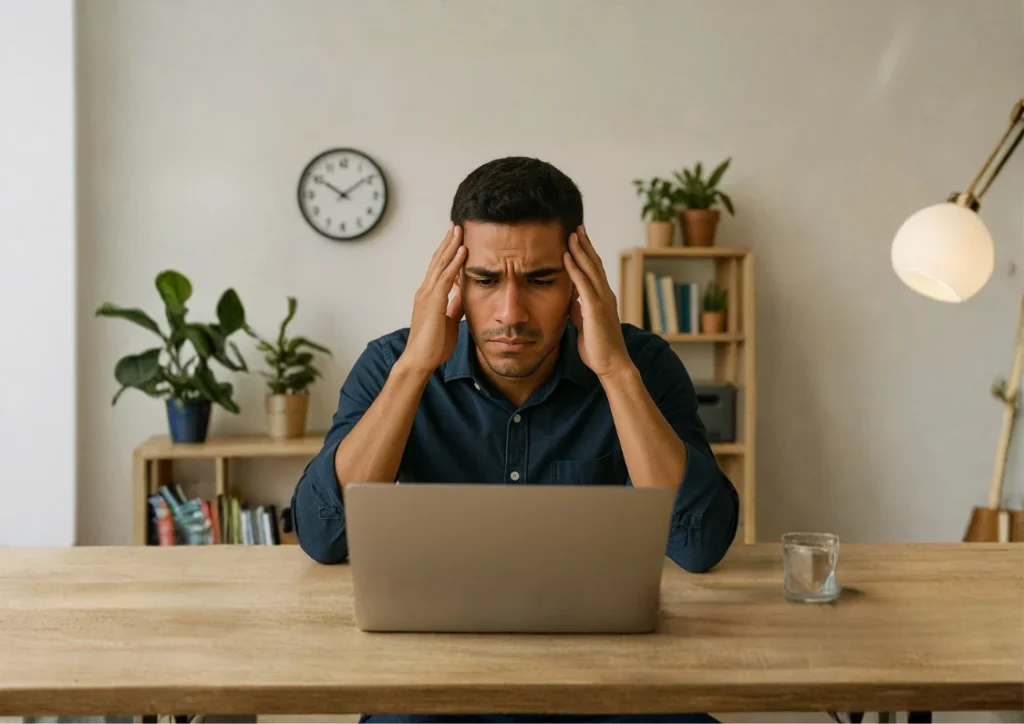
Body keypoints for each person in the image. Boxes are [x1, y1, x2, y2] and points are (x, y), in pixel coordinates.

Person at [292, 156, 739, 724]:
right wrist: (414, 369)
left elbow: (698, 547)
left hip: (613, 678)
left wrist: (615, 373)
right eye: (484, 280)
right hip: (436, 680)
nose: (511, 312)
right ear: (453, 280)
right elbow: (323, 536)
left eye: (540, 280)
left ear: (581, 281)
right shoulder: (391, 364)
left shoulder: (641, 365)